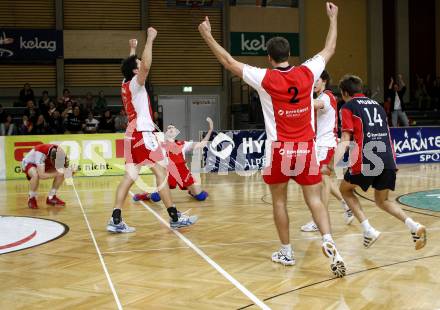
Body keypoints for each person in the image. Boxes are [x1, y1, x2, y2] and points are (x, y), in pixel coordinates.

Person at [199, 2, 346, 277]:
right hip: (305, 148)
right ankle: (328, 240)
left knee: (279, 201)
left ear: (269, 57)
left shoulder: (264, 78)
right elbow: (330, 49)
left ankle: (286, 252)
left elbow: (228, 61)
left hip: (279, 150)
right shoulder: (308, 72)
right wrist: (333, 18)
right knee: (314, 199)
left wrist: (207, 34)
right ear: (289, 54)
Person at [107, 29, 198, 233]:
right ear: (135, 71)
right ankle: (174, 217)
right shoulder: (136, 84)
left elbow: (133, 64)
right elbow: (145, 65)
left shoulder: (124, 83)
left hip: (132, 135)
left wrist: (132, 49)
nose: (142, 66)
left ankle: (115, 218)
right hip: (142, 134)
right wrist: (150, 39)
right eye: (138, 65)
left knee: (129, 176)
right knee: (161, 172)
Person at [337, 75, 427, 250]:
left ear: (345, 93)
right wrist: (393, 160)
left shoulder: (348, 107)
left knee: (345, 190)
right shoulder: (377, 106)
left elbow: (346, 137)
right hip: (386, 157)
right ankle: (414, 226)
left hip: (367, 157)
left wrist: (336, 164)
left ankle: (368, 229)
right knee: (382, 200)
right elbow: (387, 133)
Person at [300, 71, 353, 232]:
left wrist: (295, 97)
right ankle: (346, 204)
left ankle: (319, 220)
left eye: (317, 80)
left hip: (326, 145)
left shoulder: (327, 97)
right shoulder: (321, 96)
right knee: (326, 181)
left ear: (324, 81)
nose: (314, 84)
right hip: (320, 145)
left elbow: (315, 104)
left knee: (321, 182)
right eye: (312, 81)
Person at [133, 117, 213, 202]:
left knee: (201, 197)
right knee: (156, 198)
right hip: (168, 173)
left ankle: (192, 191)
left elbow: (201, 145)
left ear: (176, 132)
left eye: (173, 128)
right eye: (168, 128)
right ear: (166, 133)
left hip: (183, 173)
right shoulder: (160, 144)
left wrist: (210, 130)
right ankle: (146, 195)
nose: (171, 129)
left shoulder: (183, 144)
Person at [21, 143, 68, 209]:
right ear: (51, 158)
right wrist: (59, 173)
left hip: (44, 163)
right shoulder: (41, 153)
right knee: (35, 175)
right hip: (30, 163)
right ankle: (31, 198)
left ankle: (51, 197)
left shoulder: (61, 153)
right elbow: (42, 175)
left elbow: (65, 170)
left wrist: (70, 172)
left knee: (62, 171)